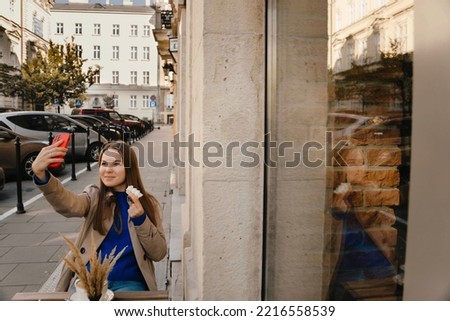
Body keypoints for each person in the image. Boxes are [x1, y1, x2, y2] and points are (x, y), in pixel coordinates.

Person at [31, 140, 167, 292]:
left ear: (130, 168)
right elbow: (69, 204)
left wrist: (141, 219)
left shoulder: (148, 203)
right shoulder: (94, 196)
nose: (108, 170)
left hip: (129, 284)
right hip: (89, 282)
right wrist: (42, 176)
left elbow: (159, 253)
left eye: (116, 164)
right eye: (104, 164)